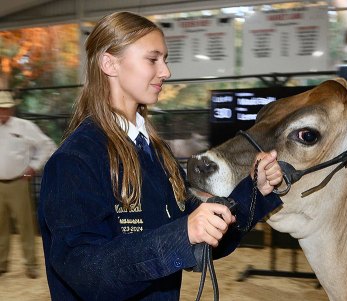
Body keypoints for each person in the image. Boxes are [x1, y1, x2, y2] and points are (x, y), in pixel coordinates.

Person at [38, 11, 283, 300]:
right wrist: (181, 235)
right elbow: (86, 273)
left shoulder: (157, 153)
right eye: (153, 59)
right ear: (109, 63)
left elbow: (204, 237)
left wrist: (256, 190)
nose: (166, 72)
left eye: (165, 60)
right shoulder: (75, 161)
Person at [0, 90, 56, 279]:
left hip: (18, 182)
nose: (2, 112)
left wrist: (33, 167)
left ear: (12, 108)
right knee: (0, 226)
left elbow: (47, 145)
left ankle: (31, 264)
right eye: (0, 109)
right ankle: (2, 264)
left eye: (5, 108)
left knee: (25, 225)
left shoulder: (24, 126)